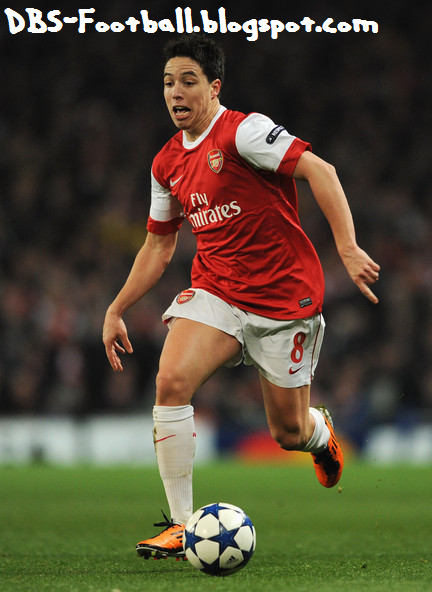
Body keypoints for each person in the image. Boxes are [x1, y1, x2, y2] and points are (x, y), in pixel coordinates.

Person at [102, 34, 380, 560]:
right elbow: (159, 246)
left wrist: (346, 246)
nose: (176, 92)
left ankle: (319, 434)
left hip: (283, 299)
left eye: (188, 81)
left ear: (214, 87)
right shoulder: (166, 163)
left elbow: (320, 170)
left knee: (288, 432)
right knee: (170, 381)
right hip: (218, 290)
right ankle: (181, 524)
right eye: (168, 83)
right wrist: (117, 308)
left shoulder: (244, 132)